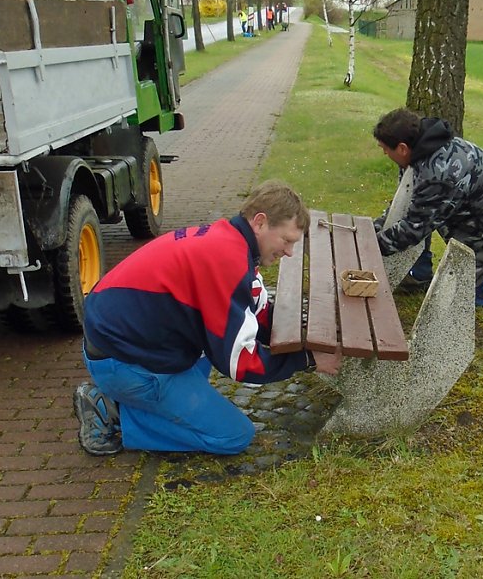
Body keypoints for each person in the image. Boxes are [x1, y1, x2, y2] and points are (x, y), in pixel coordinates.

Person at [73, 180, 339, 457]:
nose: (289, 252)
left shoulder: (228, 239)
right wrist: (307, 360)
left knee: (205, 352)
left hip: (126, 343)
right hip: (123, 362)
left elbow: (255, 308)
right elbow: (239, 363)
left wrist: (301, 336)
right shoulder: (227, 261)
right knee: (234, 435)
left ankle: (137, 398)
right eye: (286, 240)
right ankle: (110, 411)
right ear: (260, 223)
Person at [372, 108, 483, 307]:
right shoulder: (420, 150)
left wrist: (370, 247)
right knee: (424, 213)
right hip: (475, 215)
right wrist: (374, 229)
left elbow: (414, 229)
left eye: (385, 148)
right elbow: (408, 205)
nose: (384, 153)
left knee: (465, 296)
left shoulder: (438, 174)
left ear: (402, 148)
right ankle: (418, 274)